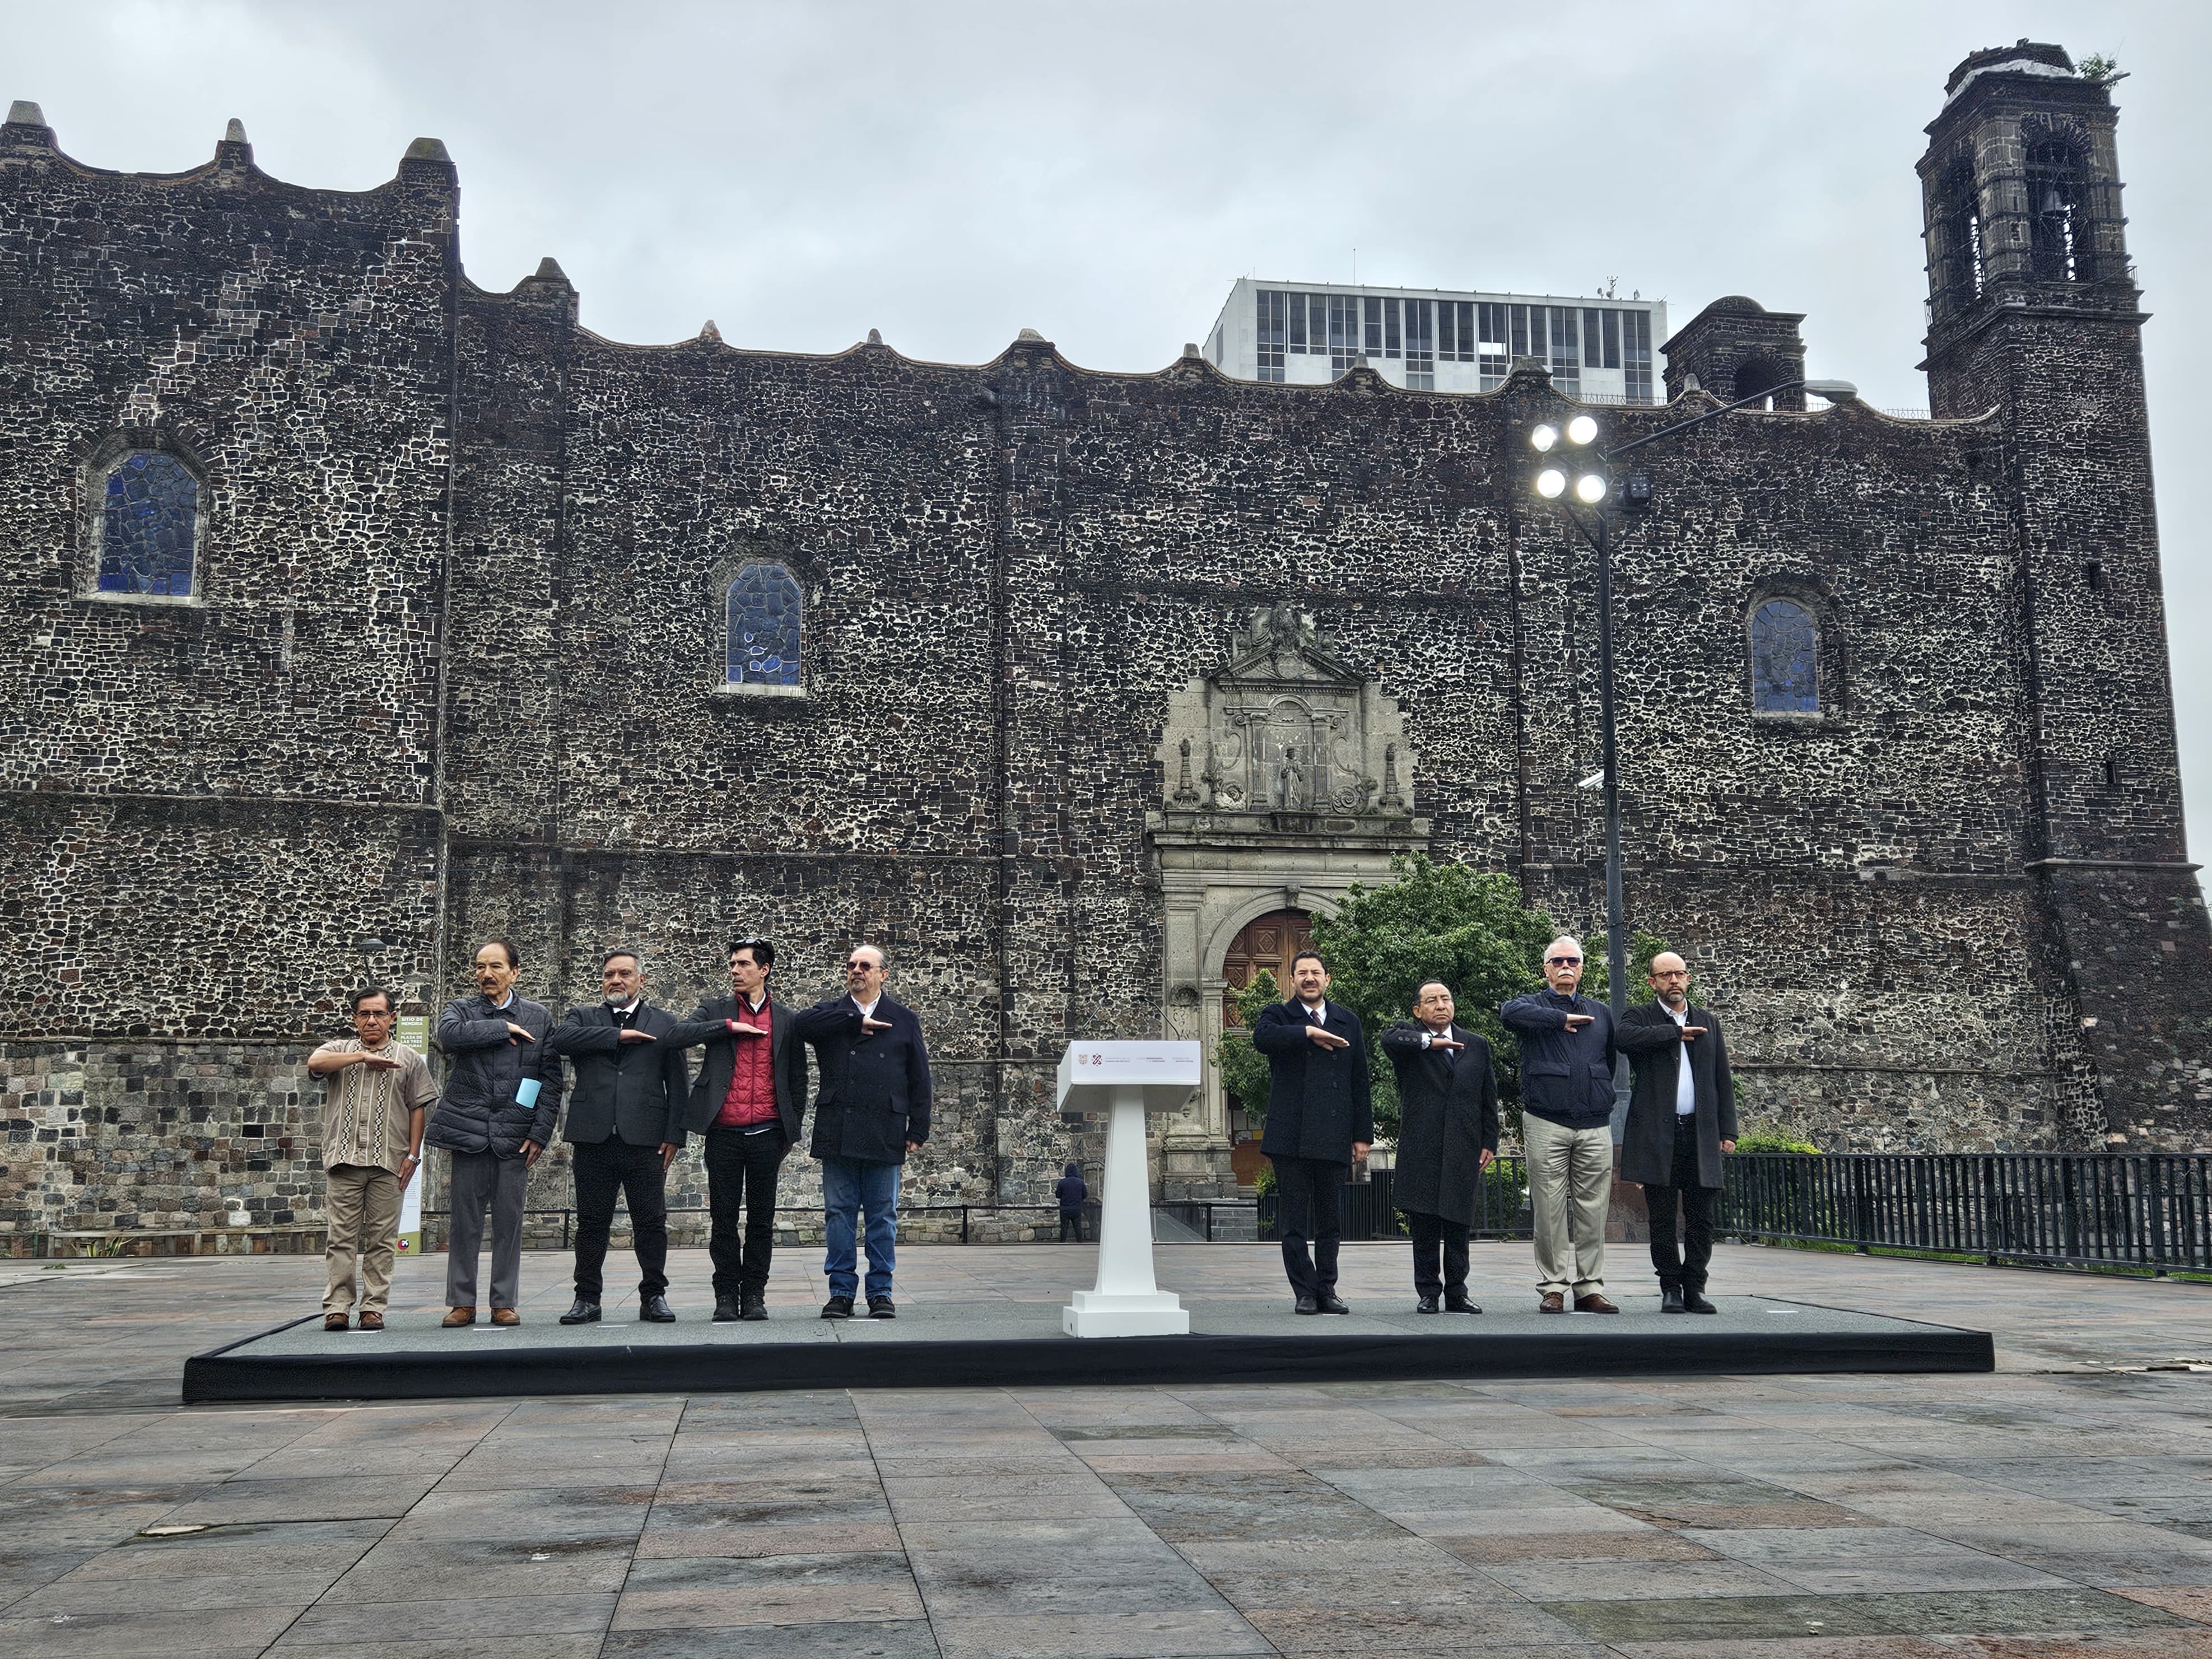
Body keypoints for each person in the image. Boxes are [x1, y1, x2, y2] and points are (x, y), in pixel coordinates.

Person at [667, 936, 809, 1322]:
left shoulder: (787, 1019)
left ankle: (755, 1296)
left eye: (743, 964)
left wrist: (789, 1132)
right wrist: (728, 1027)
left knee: (762, 1220)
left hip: (767, 1133)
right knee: (723, 1219)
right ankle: (726, 1295)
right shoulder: (715, 1010)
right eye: (732, 964)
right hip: (724, 1134)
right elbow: (677, 1035)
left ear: (764, 970)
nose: (734, 970)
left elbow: (798, 1079)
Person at [548, 949, 691, 1325]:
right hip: (593, 1136)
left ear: (641, 980)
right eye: (610, 974)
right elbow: (559, 1041)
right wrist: (617, 1035)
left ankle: (653, 1295)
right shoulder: (583, 1018)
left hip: (645, 1137)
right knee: (591, 1222)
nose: (616, 980)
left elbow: (678, 1083)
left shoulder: (664, 1022)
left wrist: (675, 1135)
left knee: (651, 1221)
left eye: (625, 974)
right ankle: (587, 1298)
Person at [426, 938, 564, 1327]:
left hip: (514, 1134)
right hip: (468, 1133)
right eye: (480, 967)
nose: (486, 974)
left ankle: (504, 1301)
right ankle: (462, 1302)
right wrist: (502, 1027)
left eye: (496, 967)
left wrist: (538, 1132)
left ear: (514, 972)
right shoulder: (460, 1010)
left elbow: (547, 1080)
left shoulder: (539, 1017)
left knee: (510, 1222)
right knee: (464, 1223)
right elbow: (450, 1037)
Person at [791, 943, 930, 1320]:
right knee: (838, 1213)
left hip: (885, 1127)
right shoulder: (832, 1013)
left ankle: (881, 1291)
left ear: (883, 974)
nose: (856, 970)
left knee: (882, 1215)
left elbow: (919, 1077)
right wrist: (853, 1022)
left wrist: (918, 1126)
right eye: (851, 964)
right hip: (838, 1128)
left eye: (865, 966)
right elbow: (800, 1025)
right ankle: (840, 1292)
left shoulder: (903, 1019)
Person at [1501, 936, 1620, 1314]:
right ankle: (1553, 1287)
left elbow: (1609, 1061)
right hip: (1545, 1120)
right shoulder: (1531, 1007)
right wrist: (1560, 1018)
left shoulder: (1600, 1013)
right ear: (1546, 968)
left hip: (1594, 1123)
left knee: (1593, 1209)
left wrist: (1595, 1097)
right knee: (1549, 1209)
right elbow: (1508, 1014)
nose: (1565, 967)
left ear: (1582, 968)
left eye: (1572, 961)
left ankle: (1589, 1288)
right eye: (1557, 961)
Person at [307, 986, 436, 1332]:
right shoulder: (340, 1050)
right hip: (345, 1161)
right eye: (364, 1014)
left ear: (392, 1018)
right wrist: (362, 1058)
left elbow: (418, 1108)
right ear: (354, 1018)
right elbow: (315, 1064)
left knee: (382, 1240)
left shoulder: (407, 1058)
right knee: (341, 1239)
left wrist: (413, 1154)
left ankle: (373, 1307)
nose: (372, 1020)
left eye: (379, 1014)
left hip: (388, 1163)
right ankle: (337, 1307)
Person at [1616, 952, 1738, 1314]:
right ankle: (1669, 1287)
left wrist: (1727, 1128)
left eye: (1679, 974)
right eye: (1665, 975)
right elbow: (1624, 1039)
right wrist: (1674, 1033)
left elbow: (1722, 1077)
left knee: (1702, 1216)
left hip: (1699, 1134)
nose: (1673, 980)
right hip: (1658, 1135)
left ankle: (1694, 1286)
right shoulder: (1640, 1017)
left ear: (1688, 979)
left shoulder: (1707, 1021)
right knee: (1662, 1217)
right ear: (1652, 982)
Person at [1252, 948, 1372, 1315]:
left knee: (1330, 1221)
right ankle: (1303, 1291)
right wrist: (1306, 1033)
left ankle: (1327, 1289)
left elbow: (1359, 1080)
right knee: (1292, 1222)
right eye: (1302, 973)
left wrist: (1362, 1135)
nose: (1309, 978)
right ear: (1292, 980)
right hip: (1289, 1136)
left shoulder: (1347, 1020)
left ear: (1326, 979)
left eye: (1315, 972)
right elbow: (1263, 1039)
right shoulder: (1278, 1015)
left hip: (1333, 1134)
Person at [1380, 980, 1499, 1314]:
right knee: (1426, 1225)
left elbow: (1488, 1097)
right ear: (1418, 1010)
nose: (1440, 1005)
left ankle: (1458, 1292)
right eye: (1431, 1001)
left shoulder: (1476, 1045)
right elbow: (1388, 1038)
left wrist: (1490, 1140)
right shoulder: (1409, 1042)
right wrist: (1429, 1042)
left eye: (1446, 999)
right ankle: (1429, 1292)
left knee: (1459, 1225)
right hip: (1423, 1146)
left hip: (1464, 1146)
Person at [1055, 1162, 1088, 1242]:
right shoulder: (1080, 1182)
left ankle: (1062, 1243)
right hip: (1076, 1208)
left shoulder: (1062, 1182)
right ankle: (1080, 1242)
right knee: (1078, 1227)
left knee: (1064, 1228)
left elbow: (1058, 1195)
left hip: (1065, 1208)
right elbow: (1085, 1195)